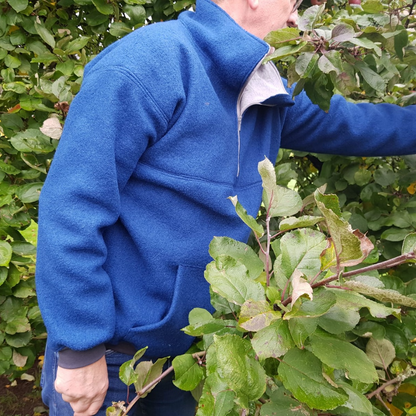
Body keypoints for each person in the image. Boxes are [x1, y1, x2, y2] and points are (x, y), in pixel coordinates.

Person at [35, 0, 416, 414]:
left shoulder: (263, 88)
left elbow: (353, 125)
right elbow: (71, 210)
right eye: (294, 3)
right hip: (109, 358)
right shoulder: (147, 65)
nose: (295, 19)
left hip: (193, 351)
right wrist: (80, 348)